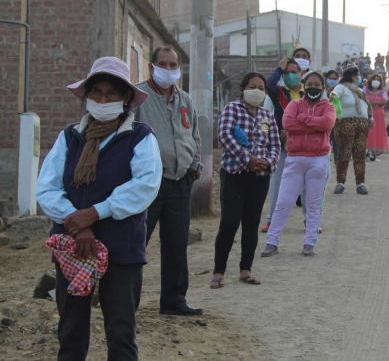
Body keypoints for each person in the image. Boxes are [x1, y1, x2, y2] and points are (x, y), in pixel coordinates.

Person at [36, 56, 162, 360]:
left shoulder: (140, 137)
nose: (103, 99)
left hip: (121, 248)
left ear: (126, 98)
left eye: (111, 93)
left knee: (121, 331)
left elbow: (144, 186)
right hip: (73, 246)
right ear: (87, 97)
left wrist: (95, 213)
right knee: (71, 329)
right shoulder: (70, 137)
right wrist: (77, 223)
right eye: (97, 93)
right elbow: (47, 187)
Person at [134, 46, 203, 316]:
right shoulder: (137, 96)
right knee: (137, 243)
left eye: (174, 64)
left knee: (176, 244)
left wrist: (194, 167)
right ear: (152, 67)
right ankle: (128, 302)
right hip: (149, 183)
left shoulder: (184, 98)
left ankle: (173, 301)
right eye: (163, 63)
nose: (169, 68)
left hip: (180, 181)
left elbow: (194, 134)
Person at [211, 72, 281, 289]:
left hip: (260, 177)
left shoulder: (267, 116)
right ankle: (219, 271)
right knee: (230, 222)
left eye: (261, 88)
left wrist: (267, 163)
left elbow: (275, 145)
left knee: (251, 224)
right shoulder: (232, 109)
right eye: (253, 86)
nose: (257, 91)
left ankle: (245, 270)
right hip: (235, 174)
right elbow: (224, 136)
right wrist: (247, 159)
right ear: (242, 89)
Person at [260, 72, 336, 258]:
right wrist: (313, 125)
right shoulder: (294, 105)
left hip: (318, 160)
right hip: (294, 160)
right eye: (309, 83)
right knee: (283, 202)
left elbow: (327, 124)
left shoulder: (329, 107)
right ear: (304, 85)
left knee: (313, 204)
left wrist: (302, 119)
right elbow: (287, 124)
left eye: (317, 84)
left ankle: (309, 242)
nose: (313, 87)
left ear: (323, 87)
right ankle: (272, 242)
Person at [261, 58, 304, 232]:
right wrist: (279, 68)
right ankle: (272, 220)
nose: (291, 75)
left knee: (308, 187)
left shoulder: (308, 94)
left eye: (294, 72)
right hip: (280, 144)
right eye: (287, 73)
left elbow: (316, 120)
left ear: (301, 74)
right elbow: (268, 85)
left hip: (303, 146)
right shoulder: (278, 93)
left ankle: (311, 220)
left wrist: (294, 130)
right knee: (276, 184)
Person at [331, 62, 373, 195]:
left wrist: (369, 118)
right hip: (345, 125)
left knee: (360, 154)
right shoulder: (341, 87)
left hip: (362, 126)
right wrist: (335, 104)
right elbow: (334, 96)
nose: (359, 77)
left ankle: (360, 183)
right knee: (344, 154)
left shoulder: (358, 89)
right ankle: (340, 182)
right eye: (358, 74)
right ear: (353, 75)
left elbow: (366, 106)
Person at [364, 74, 389, 157]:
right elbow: (361, 98)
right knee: (369, 131)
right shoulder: (365, 89)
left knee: (378, 131)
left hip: (379, 114)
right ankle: (367, 149)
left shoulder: (382, 91)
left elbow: (384, 102)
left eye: (378, 80)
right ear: (371, 80)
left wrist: (371, 102)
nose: (376, 81)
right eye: (374, 79)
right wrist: (377, 103)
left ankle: (377, 150)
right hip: (368, 113)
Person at [325, 70, 340, 164]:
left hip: (336, 120)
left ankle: (338, 162)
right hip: (324, 121)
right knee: (325, 142)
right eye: (330, 78)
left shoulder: (339, 90)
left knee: (336, 143)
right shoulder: (321, 89)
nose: (332, 80)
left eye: (335, 79)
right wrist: (327, 94)